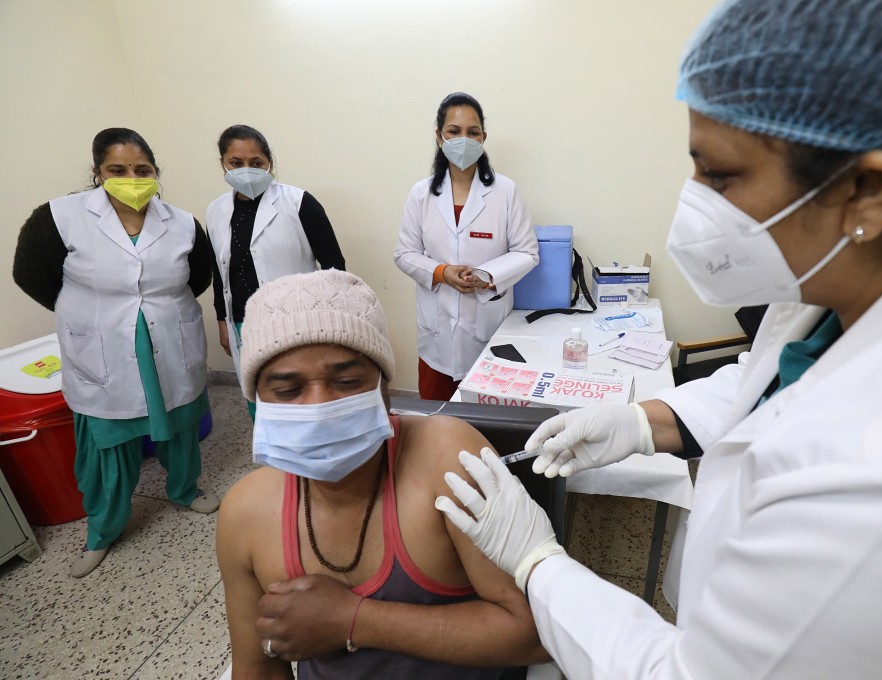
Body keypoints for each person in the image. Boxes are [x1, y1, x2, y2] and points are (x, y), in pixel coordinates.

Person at [435, 0, 882, 677]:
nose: (695, 202)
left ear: (871, 190)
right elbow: (772, 376)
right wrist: (642, 419)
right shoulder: (857, 281)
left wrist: (540, 565)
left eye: (719, 174)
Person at [215, 270, 547, 678]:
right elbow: (258, 668)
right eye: (288, 391)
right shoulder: (246, 515)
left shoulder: (448, 461)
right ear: (259, 402)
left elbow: (536, 633)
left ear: (384, 386)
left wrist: (354, 620)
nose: (319, 408)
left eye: (348, 381)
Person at [12, 127, 218, 578]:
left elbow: (197, 277)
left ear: (156, 173)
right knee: (108, 441)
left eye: (142, 170)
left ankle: (185, 490)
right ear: (97, 173)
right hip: (101, 345)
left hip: (168, 337)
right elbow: (30, 274)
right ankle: (102, 531)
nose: (132, 177)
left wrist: (154, 308)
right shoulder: (59, 217)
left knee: (181, 424)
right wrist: (87, 313)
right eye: (118, 170)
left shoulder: (181, 222)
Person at [394, 92, 539, 401]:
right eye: (454, 131)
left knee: (488, 422)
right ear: (439, 136)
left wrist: (487, 275)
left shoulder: (505, 191)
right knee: (437, 421)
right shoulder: (421, 194)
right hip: (436, 336)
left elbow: (527, 252)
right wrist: (443, 272)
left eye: (473, 132)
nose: (464, 139)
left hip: (488, 329)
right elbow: (404, 253)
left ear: (483, 137)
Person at [207, 124, 345, 418]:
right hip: (243, 324)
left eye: (256, 162)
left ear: (269, 162)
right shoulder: (215, 211)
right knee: (258, 396)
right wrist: (223, 319)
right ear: (223, 165)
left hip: (296, 321)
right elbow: (220, 273)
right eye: (236, 163)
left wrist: (331, 321)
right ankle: (273, 455)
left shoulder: (300, 203)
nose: (247, 169)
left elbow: (335, 266)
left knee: (297, 396)